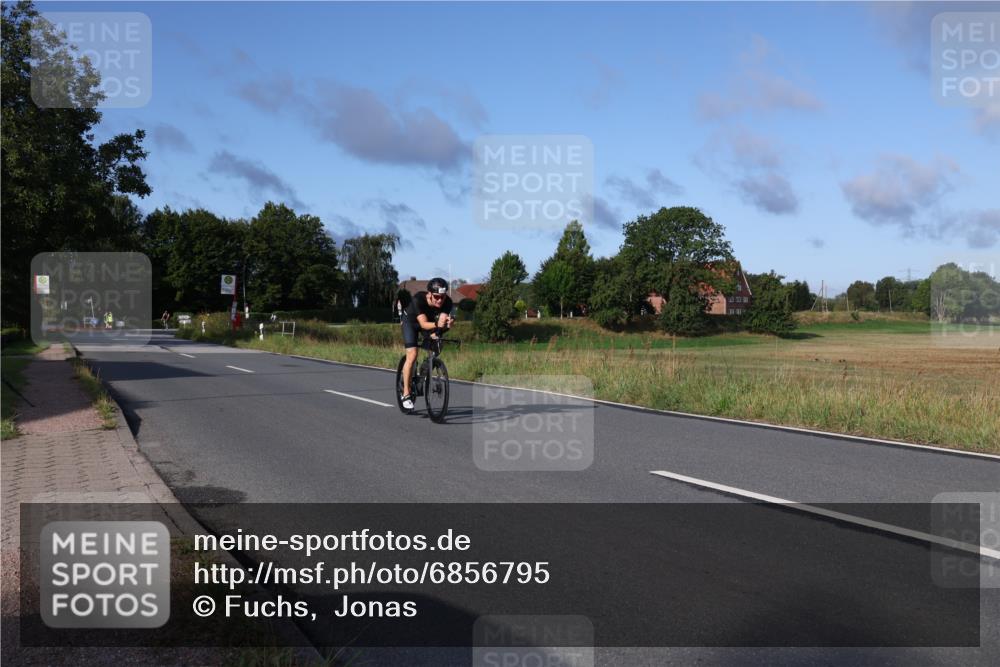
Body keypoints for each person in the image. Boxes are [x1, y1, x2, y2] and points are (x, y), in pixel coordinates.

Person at [400, 277, 453, 410]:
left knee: (437, 345)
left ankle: (425, 367)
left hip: (428, 324)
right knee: (412, 354)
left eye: (442, 296)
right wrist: (437, 324)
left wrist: (447, 325)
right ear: (429, 294)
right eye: (436, 297)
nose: (440, 300)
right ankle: (406, 392)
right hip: (411, 323)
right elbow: (423, 323)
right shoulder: (419, 299)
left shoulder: (448, 302)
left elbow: (441, 323)